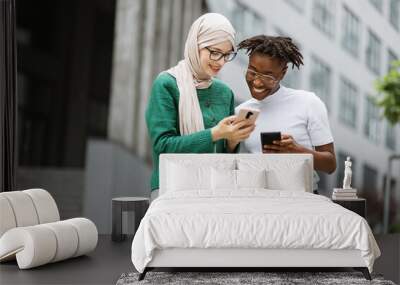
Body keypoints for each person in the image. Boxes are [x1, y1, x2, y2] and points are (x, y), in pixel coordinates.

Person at [146, 13, 255, 202]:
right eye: (214, 52)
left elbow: (225, 158)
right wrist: (214, 134)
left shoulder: (224, 92)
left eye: (227, 55)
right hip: (172, 188)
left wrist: (231, 140)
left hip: (216, 191)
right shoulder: (166, 84)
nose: (220, 61)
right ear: (195, 45)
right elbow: (163, 146)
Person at [235, 35, 336, 192]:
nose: (257, 82)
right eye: (252, 72)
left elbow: (330, 165)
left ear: (282, 73)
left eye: (268, 76)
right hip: (258, 198)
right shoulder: (241, 112)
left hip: (302, 199)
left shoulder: (308, 103)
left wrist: (296, 151)